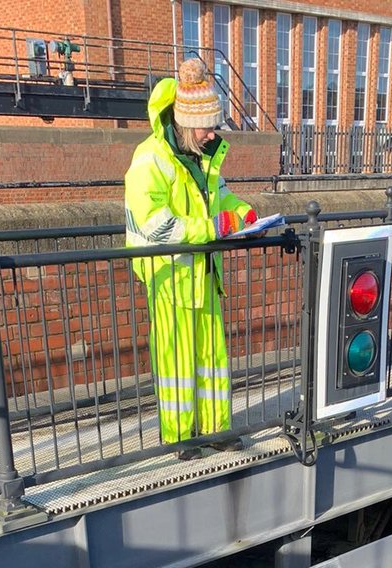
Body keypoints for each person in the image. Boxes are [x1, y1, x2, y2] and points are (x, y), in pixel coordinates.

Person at [124, 58, 257, 460]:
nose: (213, 132)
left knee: (210, 357)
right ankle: (180, 436)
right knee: (176, 361)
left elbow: (221, 197)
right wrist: (213, 227)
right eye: (206, 125)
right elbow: (157, 225)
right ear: (186, 122)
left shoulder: (201, 154)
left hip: (202, 271)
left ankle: (216, 429)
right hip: (167, 276)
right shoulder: (149, 159)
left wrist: (245, 213)